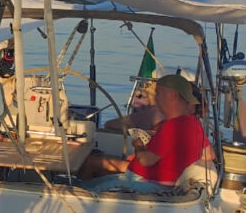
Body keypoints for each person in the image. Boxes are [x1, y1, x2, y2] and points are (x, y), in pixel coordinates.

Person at [79, 74, 208, 191]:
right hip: (150, 177)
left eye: (158, 93)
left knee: (87, 173)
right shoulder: (195, 125)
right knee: (97, 171)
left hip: (145, 181)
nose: (156, 98)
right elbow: (209, 155)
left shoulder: (173, 125)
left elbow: (146, 160)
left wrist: (138, 145)